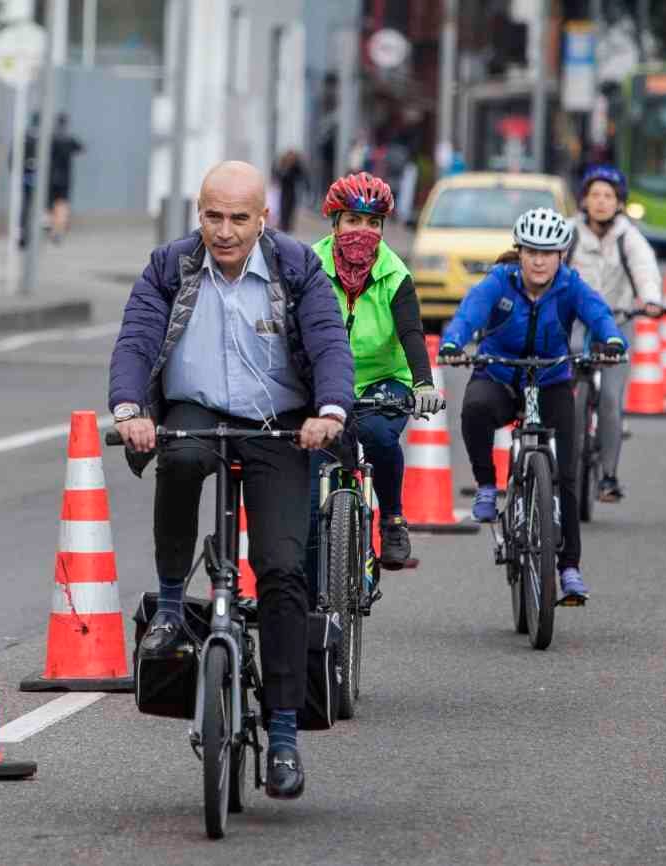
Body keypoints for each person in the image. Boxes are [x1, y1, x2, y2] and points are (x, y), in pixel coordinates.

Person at [108, 160, 354, 800]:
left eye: (238, 218)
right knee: (182, 457)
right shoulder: (172, 264)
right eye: (213, 216)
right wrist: (131, 410)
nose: (224, 231)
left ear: (263, 218)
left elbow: (328, 341)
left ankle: (281, 736)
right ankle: (167, 607)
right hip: (197, 409)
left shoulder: (297, 267)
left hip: (281, 423)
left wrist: (329, 412)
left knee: (280, 570)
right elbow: (136, 338)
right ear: (199, 212)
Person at [439, 208, 626, 602]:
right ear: (519, 253)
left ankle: (569, 568)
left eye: (548, 253)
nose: (539, 260)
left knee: (568, 473)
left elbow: (598, 313)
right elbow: (469, 313)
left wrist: (611, 342)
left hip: (551, 379)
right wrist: (454, 343)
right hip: (501, 375)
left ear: (561, 255)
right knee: (474, 408)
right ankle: (488, 485)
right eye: (531, 252)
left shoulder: (570, 285)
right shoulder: (499, 283)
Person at [305, 172, 439, 575]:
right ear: (334, 223)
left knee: (379, 435)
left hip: (383, 379)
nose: (363, 231)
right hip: (321, 382)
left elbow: (412, 332)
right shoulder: (308, 265)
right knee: (310, 497)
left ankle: (393, 520)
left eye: (374, 223)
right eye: (353, 221)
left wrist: (423, 383)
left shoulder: (396, 274)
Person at [565, 165, 663, 502]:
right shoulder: (569, 233)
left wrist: (650, 300)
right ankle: (559, 461)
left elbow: (645, 269)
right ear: (584, 200)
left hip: (617, 323)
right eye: (595, 195)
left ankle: (608, 475)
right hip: (575, 323)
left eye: (609, 196)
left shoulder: (628, 237)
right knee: (563, 392)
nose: (602, 202)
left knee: (609, 398)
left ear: (619, 202)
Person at [47, 113, 84, 243]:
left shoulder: (50, 138)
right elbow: (81, 148)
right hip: (65, 177)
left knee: (51, 205)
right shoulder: (68, 139)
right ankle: (59, 230)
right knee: (62, 204)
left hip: (51, 177)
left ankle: (53, 229)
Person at [274, 150, 309, 233]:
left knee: (290, 207)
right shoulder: (282, 164)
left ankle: (287, 225)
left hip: (292, 190)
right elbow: (277, 175)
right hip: (284, 190)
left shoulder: (295, 166)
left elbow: (302, 175)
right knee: (283, 207)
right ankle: (283, 225)